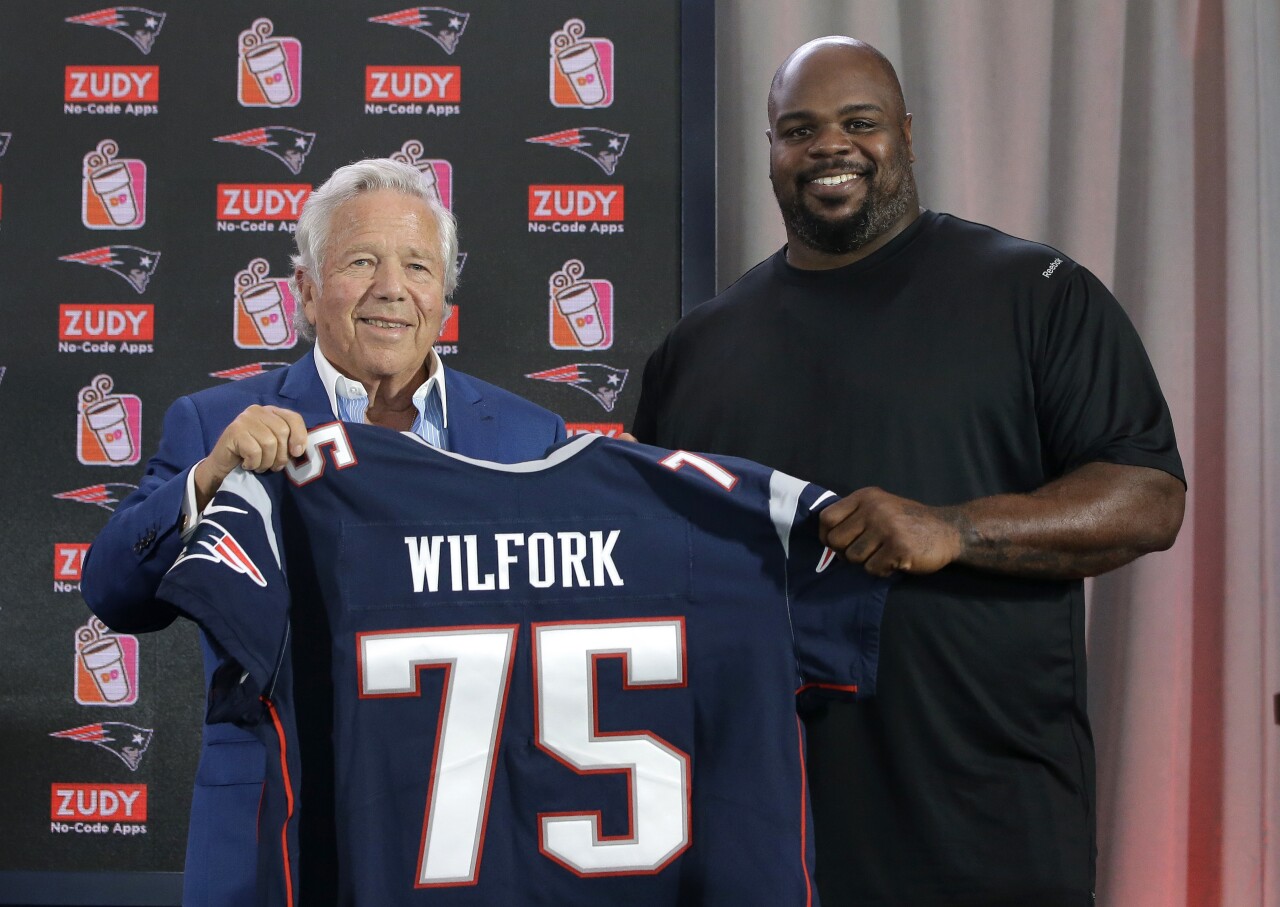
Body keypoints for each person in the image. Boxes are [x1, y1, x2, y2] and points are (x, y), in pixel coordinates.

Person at [631, 36, 1186, 907]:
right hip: (769, 829)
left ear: (908, 135)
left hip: (985, 816)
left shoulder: (1035, 292)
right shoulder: (695, 351)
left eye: (860, 122)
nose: (830, 147)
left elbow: (1149, 497)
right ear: (772, 149)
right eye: (798, 129)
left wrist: (954, 528)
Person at [81, 157, 566, 907]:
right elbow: (114, 592)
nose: (391, 289)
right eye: (361, 262)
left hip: (470, 836)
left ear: (443, 293)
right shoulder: (215, 425)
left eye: (417, 266)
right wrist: (209, 478)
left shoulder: (530, 438)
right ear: (306, 291)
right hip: (270, 835)